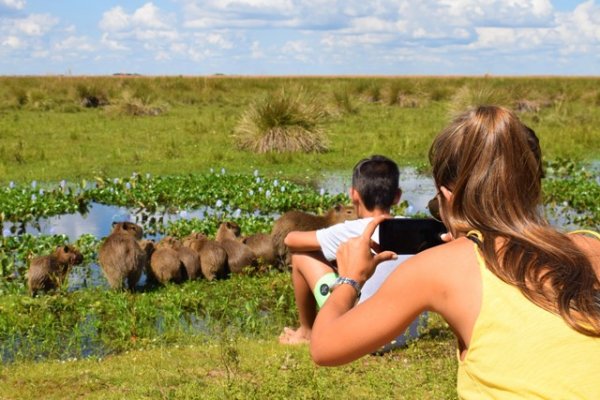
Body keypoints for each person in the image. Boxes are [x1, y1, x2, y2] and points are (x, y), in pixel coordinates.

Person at [309, 106, 600, 398]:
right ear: (533, 187)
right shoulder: (592, 248)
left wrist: (349, 280)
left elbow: (324, 347)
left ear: (448, 196)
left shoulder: (438, 268)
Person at [279, 154, 415, 345]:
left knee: (301, 255)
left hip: (359, 339)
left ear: (354, 195)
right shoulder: (414, 228)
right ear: (397, 196)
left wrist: (329, 243)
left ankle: (306, 331)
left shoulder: (350, 230)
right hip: (406, 335)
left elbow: (290, 239)